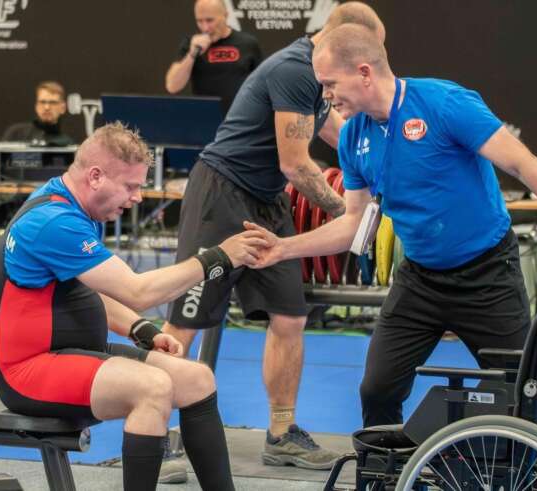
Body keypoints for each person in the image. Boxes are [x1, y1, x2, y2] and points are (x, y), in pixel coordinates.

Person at [243, 23, 537, 428]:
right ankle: (390, 463)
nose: (325, 95)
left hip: (488, 276)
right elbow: (354, 224)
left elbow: (523, 164)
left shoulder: (444, 104)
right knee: (376, 390)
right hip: (419, 281)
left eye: (329, 84)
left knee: (526, 389)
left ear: (364, 73)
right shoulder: (353, 136)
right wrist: (283, 248)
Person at [0, 122, 269, 490]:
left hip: (72, 353)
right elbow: (138, 291)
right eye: (130, 186)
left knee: (196, 379)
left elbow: (87, 290)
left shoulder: (77, 208)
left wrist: (139, 329)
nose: (137, 197)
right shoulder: (53, 222)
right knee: (152, 387)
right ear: (96, 177)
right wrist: (219, 257)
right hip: (26, 371)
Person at [162, 2, 386, 472]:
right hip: (221, 194)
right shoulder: (295, 69)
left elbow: (339, 134)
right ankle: (153, 433)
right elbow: (296, 164)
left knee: (289, 316)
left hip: (266, 200)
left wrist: (384, 170)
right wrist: (352, 213)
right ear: (341, 39)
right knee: (185, 321)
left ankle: (282, 434)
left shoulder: (322, 78)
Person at [165, 0, 263, 116]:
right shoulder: (191, 45)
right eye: (199, 21)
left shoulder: (248, 44)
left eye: (210, 20)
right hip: (205, 119)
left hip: (240, 120)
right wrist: (192, 54)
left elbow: (262, 86)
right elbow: (172, 86)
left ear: (225, 16)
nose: (205, 27)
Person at [1, 81, 75, 146]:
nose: (47, 107)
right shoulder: (16, 133)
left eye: (53, 102)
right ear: (36, 106)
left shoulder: (68, 144)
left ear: (63, 108)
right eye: (42, 102)